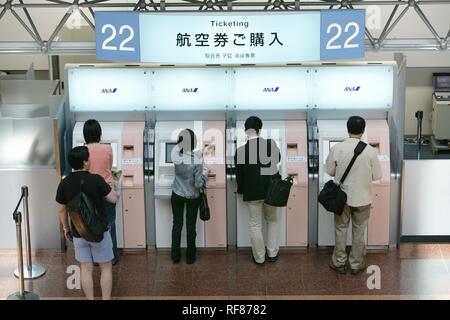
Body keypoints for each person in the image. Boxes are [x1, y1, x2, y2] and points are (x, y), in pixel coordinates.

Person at [56, 146, 117, 300]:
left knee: (85, 268)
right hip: (99, 231)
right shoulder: (96, 179)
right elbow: (113, 199)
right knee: (106, 267)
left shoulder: (64, 183)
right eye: (88, 158)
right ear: (84, 162)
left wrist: (65, 228)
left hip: (78, 231)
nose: (90, 161)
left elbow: (62, 210)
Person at [326, 116, 382, 275]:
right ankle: (356, 264)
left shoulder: (338, 148)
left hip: (341, 199)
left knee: (340, 229)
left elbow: (330, 171)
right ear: (363, 131)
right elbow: (377, 175)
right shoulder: (370, 151)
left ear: (347, 129)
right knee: (359, 231)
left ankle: (339, 262)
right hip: (363, 198)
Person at [234, 116, 281, 265]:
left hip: (252, 192)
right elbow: (277, 160)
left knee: (255, 225)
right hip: (270, 191)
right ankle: (272, 253)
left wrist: (242, 191)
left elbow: (239, 176)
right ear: (260, 129)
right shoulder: (270, 144)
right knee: (272, 220)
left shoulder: (241, 151)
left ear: (245, 131)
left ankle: (259, 257)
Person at [83, 119, 119, 265]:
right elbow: (109, 167)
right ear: (99, 133)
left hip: (90, 194)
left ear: (85, 134)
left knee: (92, 225)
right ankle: (113, 257)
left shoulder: (83, 151)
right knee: (110, 225)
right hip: (107, 191)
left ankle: (96, 259)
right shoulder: (108, 148)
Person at [170, 129, 208, 264]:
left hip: (177, 193)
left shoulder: (175, 156)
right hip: (192, 196)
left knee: (177, 224)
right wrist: (205, 176)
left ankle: (175, 256)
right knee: (191, 226)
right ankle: (190, 257)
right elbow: (198, 184)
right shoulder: (197, 160)